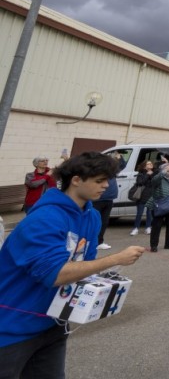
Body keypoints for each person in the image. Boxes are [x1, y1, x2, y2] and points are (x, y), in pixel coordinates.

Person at [0, 152, 145, 378]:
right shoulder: (45, 218)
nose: (106, 186)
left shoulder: (91, 216)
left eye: (108, 180)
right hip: (11, 328)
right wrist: (115, 259)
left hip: (53, 325)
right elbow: (55, 274)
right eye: (99, 180)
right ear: (76, 180)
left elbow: (82, 266)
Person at [93, 171, 118, 250]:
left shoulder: (111, 172)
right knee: (95, 221)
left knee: (104, 222)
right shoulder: (99, 171)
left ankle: (100, 242)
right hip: (97, 200)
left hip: (109, 199)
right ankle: (93, 242)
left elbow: (122, 164)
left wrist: (119, 158)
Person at [130, 160, 155, 236]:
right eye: (148, 164)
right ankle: (135, 228)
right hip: (142, 197)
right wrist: (147, 175)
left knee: (149, 213)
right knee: (139, 213)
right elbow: (140, 183)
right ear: (144, 166)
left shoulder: (154, 174)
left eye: (151, 163)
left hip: (151, 196)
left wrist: (151, 175)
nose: (150, 164)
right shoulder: (140, 174)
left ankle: (148, 227)